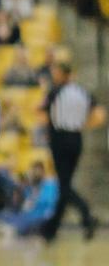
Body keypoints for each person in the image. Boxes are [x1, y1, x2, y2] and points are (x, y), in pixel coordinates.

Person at [41, 61, 106, 241]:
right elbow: (100, 115)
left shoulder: (55, 91)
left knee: (64, 185)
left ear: (63, 74)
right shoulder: (82, 92)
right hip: (76, 139)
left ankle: (86, 214)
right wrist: (82, 125)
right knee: (65, 184)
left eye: (56, 72)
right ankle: (51, 229)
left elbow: (40, 112)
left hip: (60, 139)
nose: (54, 75)